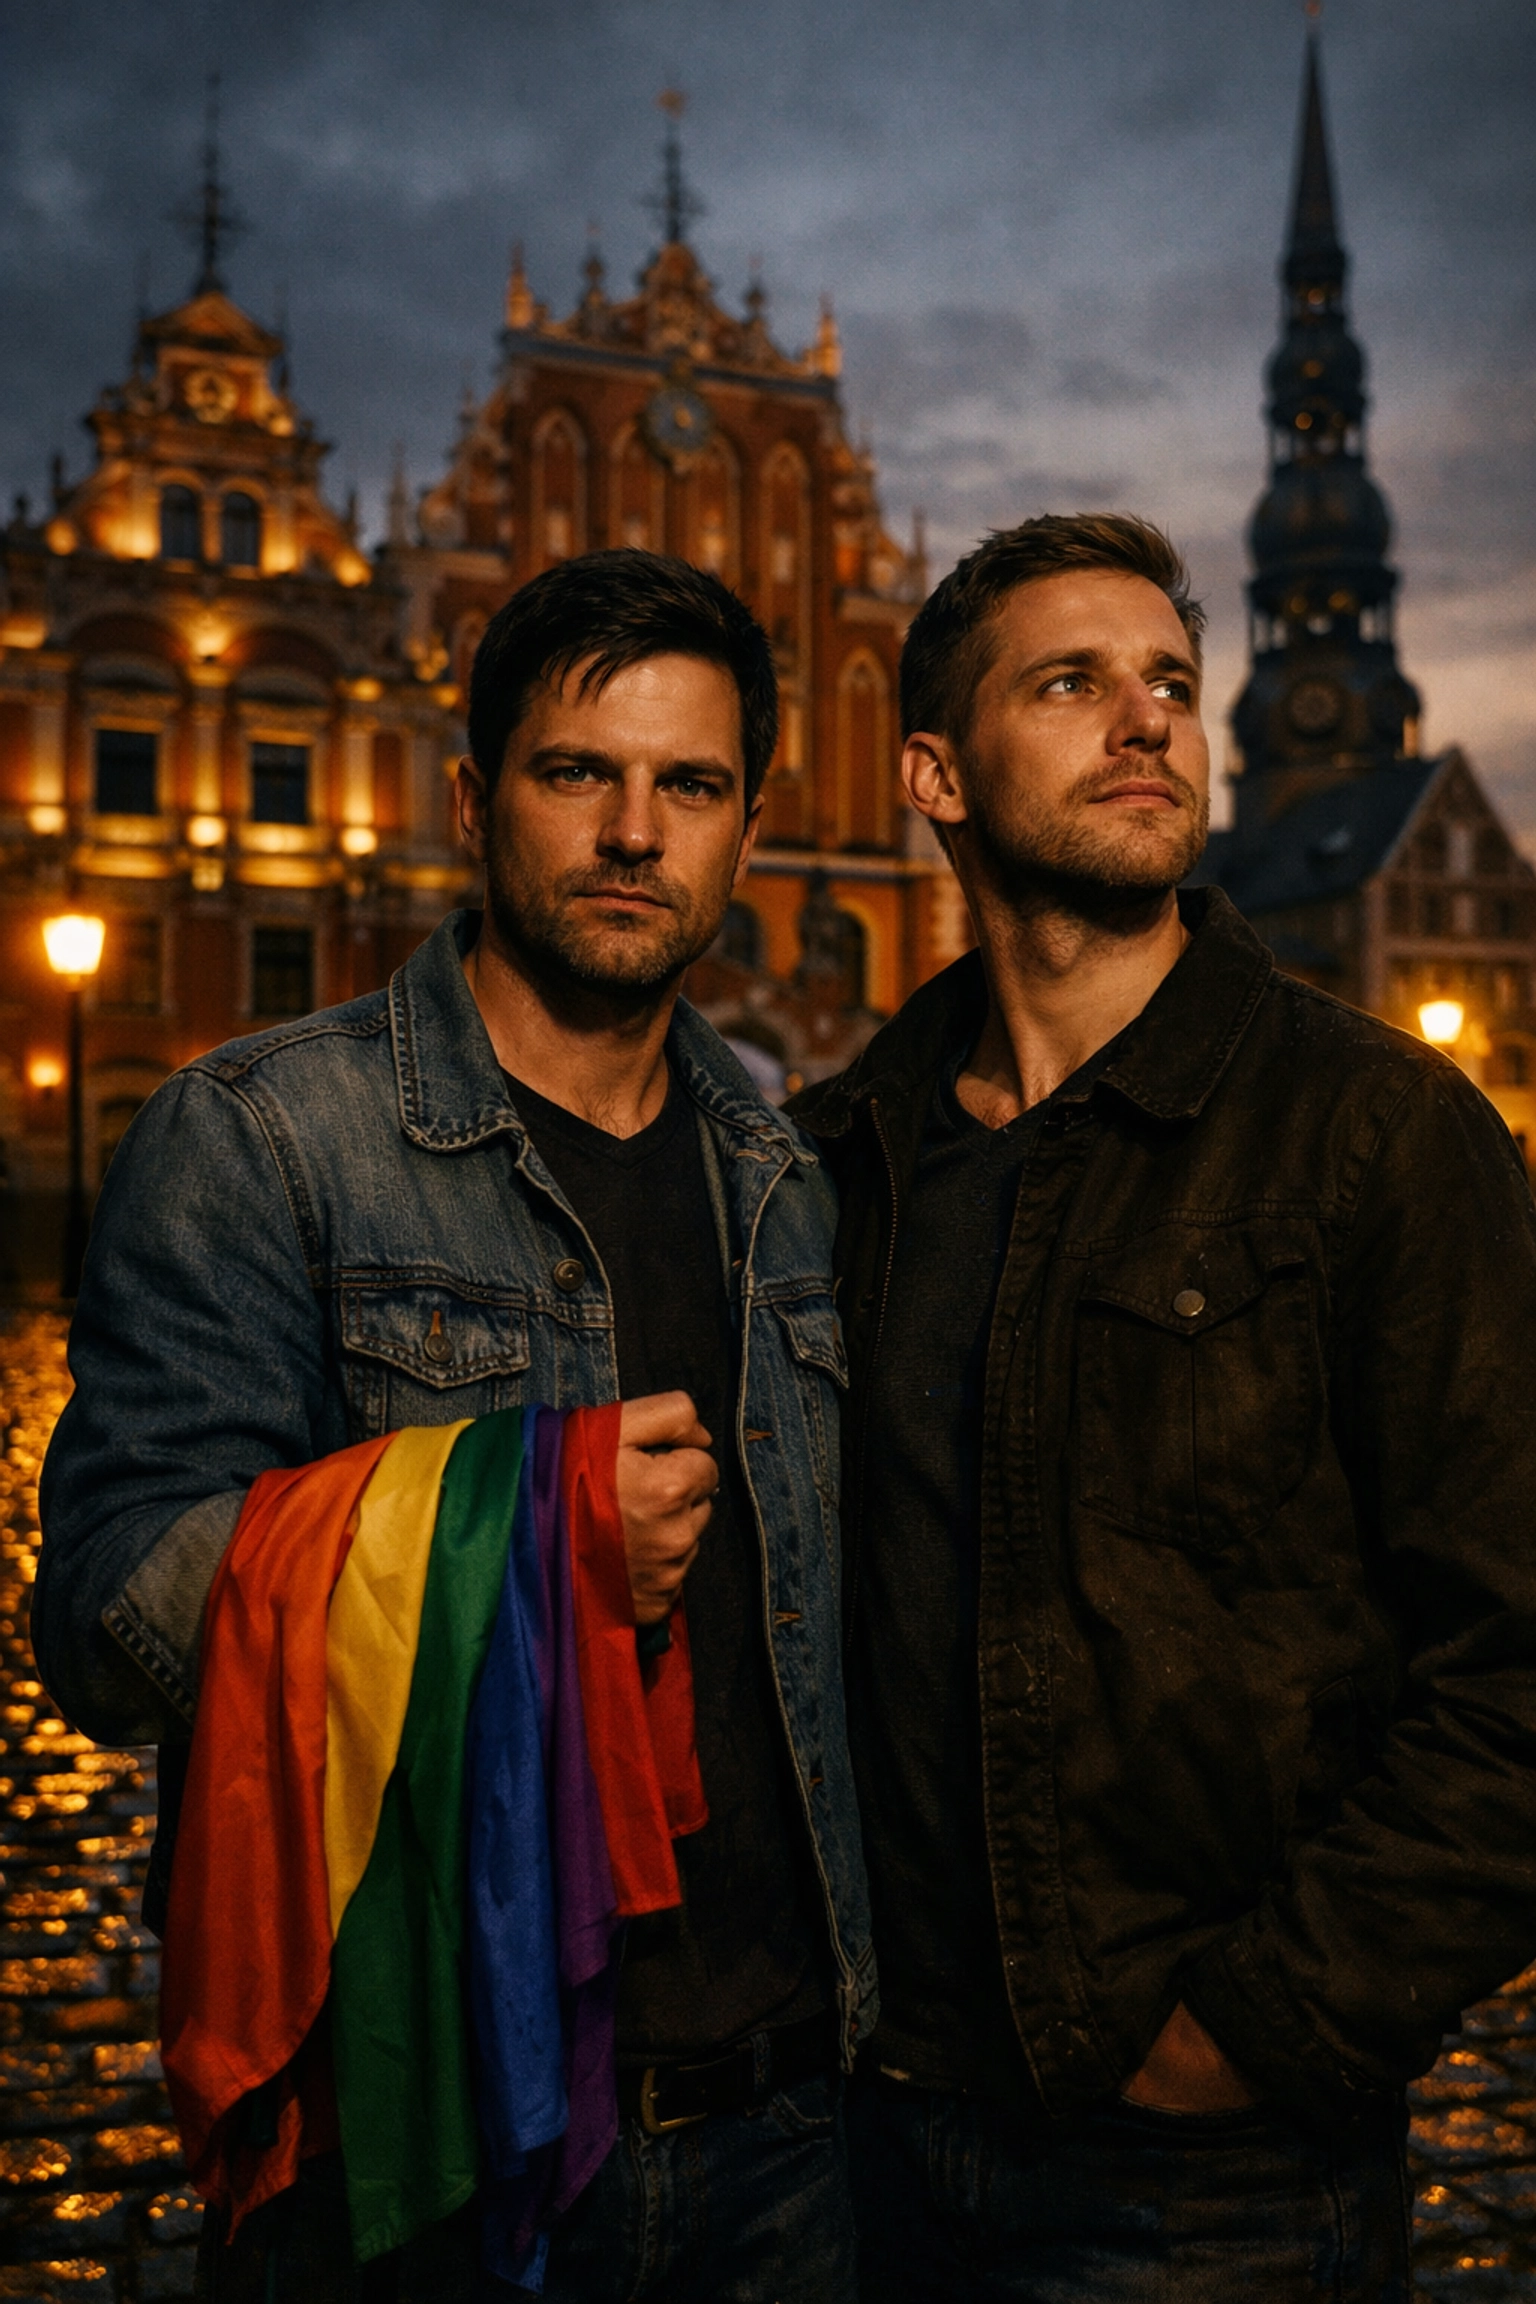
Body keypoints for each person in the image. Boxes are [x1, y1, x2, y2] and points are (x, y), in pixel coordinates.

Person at [36, 549, 873, 2303]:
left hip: (791, 2138)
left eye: (691, 786)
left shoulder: (793, 1184)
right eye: (581, 775)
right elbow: (106, 1612)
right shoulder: (261, 1138)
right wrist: (525, 1526)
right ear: (478, 796)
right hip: (428, 2138)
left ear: (748, 826)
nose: (636, 831)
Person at [789, 512, 1536, 2302]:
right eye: (1072, 683)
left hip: (1205, 2185)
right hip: (861, 2136)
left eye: (1171, 686)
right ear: (933, 773)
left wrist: (1257, 2031)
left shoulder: (1369, 1133)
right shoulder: (836, 1156)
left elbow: (1513, 1665)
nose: (1149, 723)